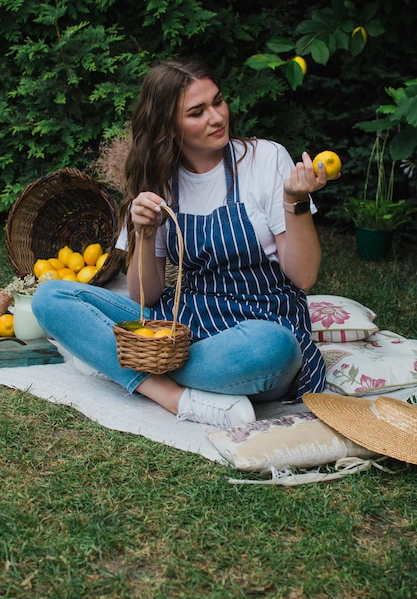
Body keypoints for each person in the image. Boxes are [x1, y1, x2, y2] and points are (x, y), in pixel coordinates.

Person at [32, 57, 329, 429]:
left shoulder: (265, 159)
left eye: (218, 102)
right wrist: (144, 232)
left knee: (274, 347)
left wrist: (295, 202)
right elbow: (145, 297)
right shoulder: (157, 181)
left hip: (259, 326)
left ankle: (115, 361)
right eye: (197, 112)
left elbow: (303, 277)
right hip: (182, 322)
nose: (217, 117)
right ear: (169, 128)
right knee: (52, 297)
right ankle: (170, 395)